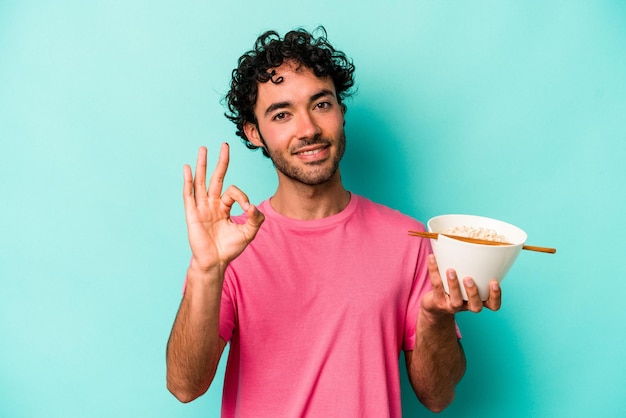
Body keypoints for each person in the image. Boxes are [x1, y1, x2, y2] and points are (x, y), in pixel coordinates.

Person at [166, 27, 502, 417]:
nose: (308, 128)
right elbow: (185, 387)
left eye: (321, 104)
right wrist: (207, 271)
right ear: (254, 133)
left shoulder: (409, 239)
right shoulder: (229, 247)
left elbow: (437, 395)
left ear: (341, 111)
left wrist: (435, 318)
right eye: (282, 114)